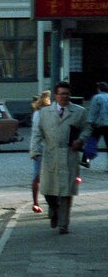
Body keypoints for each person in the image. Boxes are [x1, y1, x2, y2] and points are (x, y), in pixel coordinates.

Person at [30, 81, 90, 234]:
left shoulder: (79, 112)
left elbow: (87, 128)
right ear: (55, 95)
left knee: (66, 191)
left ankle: (63, 225)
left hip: (69, 154)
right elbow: (38, 133)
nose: (64, 96)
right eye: (61, 93)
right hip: (50, 154)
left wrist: (81, 140)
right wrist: (34, 151)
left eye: (67, 94)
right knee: (48, 189)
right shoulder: (45, 113)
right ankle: (53, 208)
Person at [28, 91, 51, 214]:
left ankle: (36, 202)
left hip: (37, 148)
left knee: (37, 176)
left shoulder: (36, 113)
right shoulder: (45, 113)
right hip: (44, 148)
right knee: (48, 177)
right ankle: (49, 203)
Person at [83, 81, 108, 168]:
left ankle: (85, 160)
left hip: (99, 124)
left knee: (91, 141)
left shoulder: (97, 97)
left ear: (99, 89)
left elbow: (93, 111)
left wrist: (90, 122)